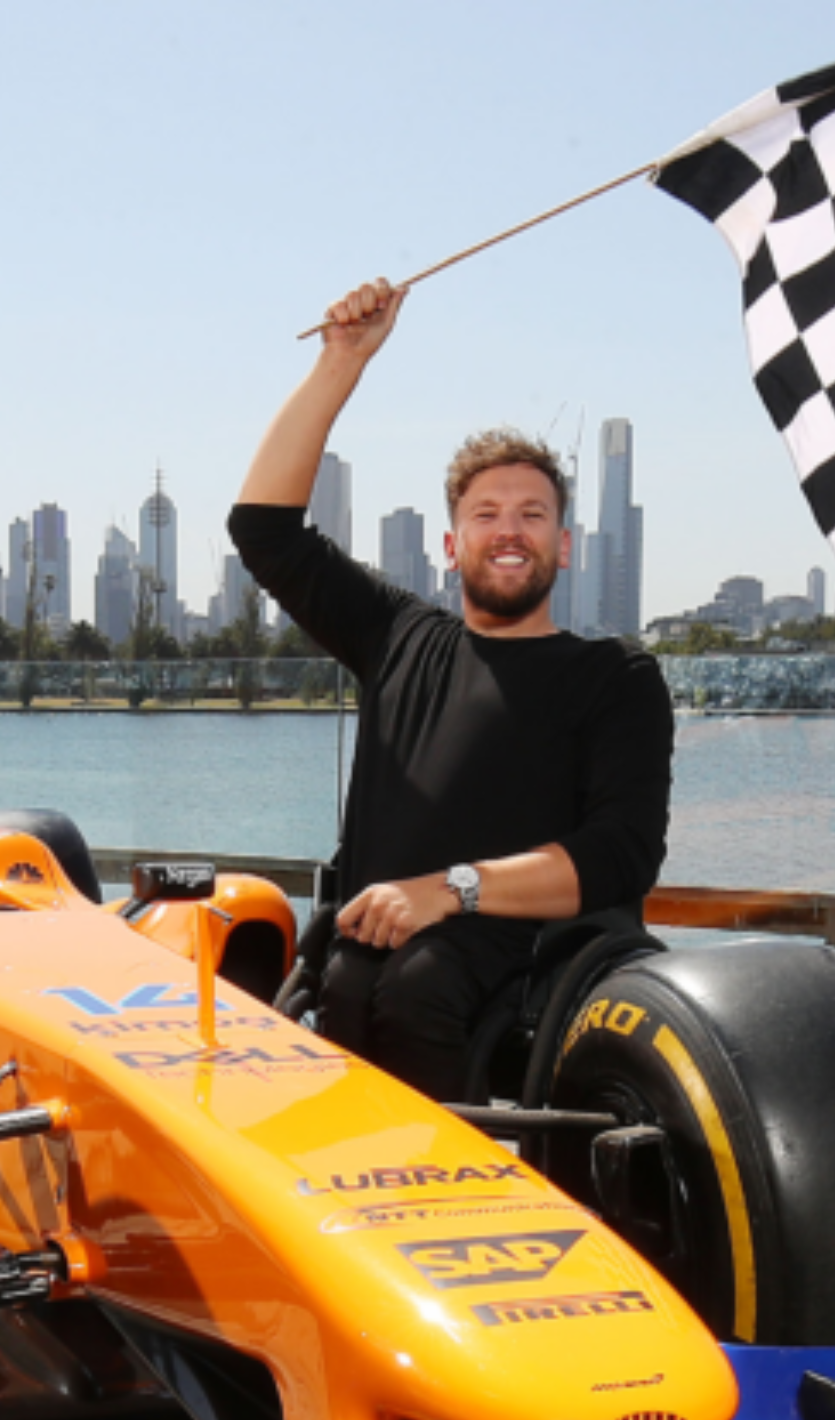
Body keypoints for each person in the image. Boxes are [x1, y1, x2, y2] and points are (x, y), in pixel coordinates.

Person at [230, 279, 674, 1102]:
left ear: (564, 547)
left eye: (533, 515)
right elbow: (264, 531)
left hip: (524, 954)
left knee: (415, 983)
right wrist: (342, 361)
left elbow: (624, 851)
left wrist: (452, 891)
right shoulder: (399, 636)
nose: (509, 531)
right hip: (375, 948)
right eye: (487, 514)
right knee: (356, 980)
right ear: (451, 542)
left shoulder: (617, 677)